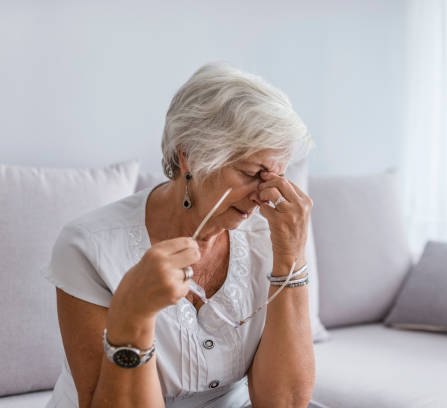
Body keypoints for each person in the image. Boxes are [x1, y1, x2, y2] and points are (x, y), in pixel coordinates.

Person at [44, 63, 315, 407]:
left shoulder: (270, 235)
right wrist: (133, 318)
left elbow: (284, 402)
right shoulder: (89, 247)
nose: (265, 195)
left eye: (277, 175)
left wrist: (291, 261)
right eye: (250, 173)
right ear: (189, 156)